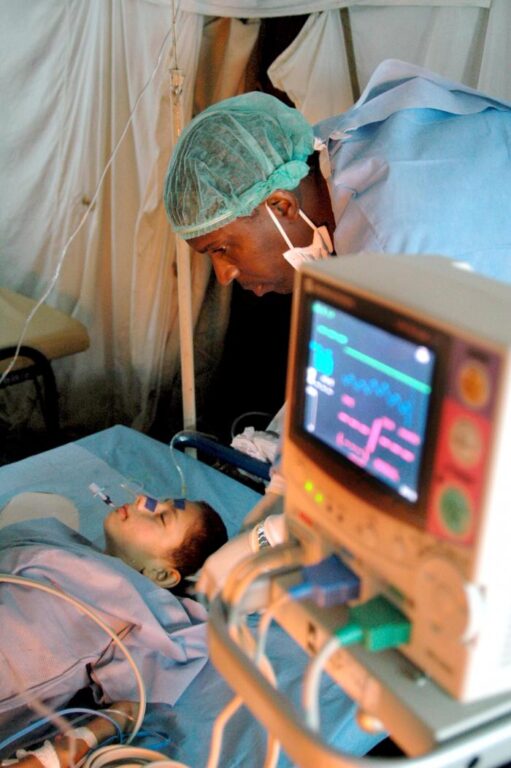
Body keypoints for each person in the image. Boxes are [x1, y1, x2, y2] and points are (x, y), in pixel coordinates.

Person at [164, 58, 511, 294]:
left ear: (280, 204)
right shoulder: (335, 146)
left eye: (221, 249)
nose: (225, 276)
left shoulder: (389, 253)